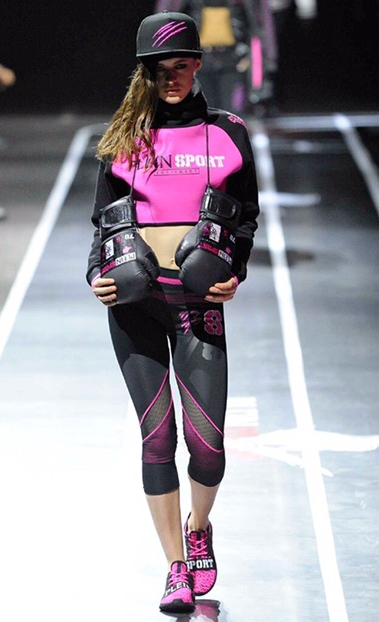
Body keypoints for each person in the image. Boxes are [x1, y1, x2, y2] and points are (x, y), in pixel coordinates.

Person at [86, 10, 259, 614]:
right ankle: (176, 569)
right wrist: (97, 276)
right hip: (136, 305)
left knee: (207, 447)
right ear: (145, 73)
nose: (172, 78)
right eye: (160, 70)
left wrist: (235, 271)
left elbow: (245, 218)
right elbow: (102, 224)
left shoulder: (228, 133)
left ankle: (199, 526)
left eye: (181, 66)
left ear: (197, 64)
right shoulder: (122, 137)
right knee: (156, 437)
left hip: (197, 304)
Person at [155, 0, 278, 115]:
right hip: (199, 60)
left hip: (234, 60)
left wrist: (262, 60)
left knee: (231, 114)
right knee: (203, 112)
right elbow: (166, 20)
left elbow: (260, 24)